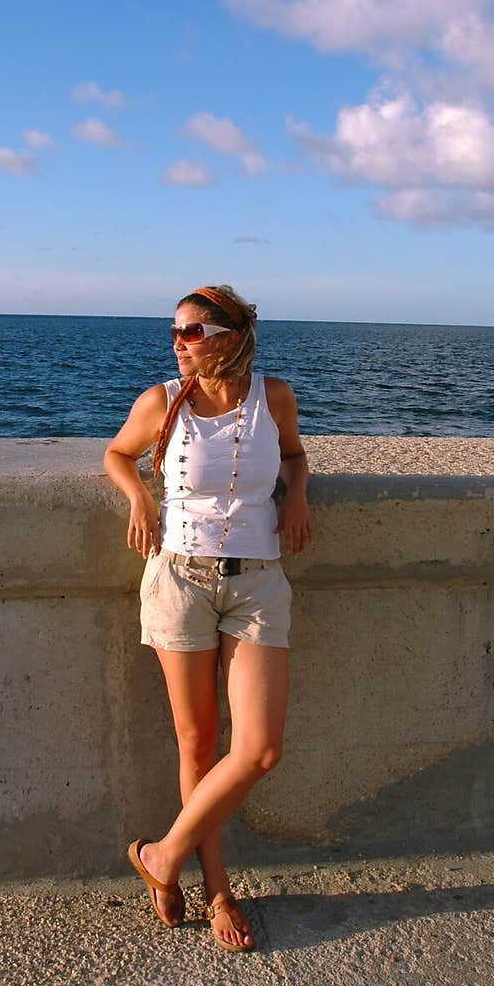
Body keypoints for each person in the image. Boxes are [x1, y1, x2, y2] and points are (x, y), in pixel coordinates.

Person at [103, 284, 312, 952]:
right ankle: (217, 886)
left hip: (256, 584)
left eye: (191, 330)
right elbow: (115, 453)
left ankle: (161, 856)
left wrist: (299, 494)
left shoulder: (272, 397)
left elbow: (294, 454)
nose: (178, 341)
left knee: (258, 748)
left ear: (229, 334)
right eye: (174, 332)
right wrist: (138, 494)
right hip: (180, 579)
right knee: (198, 745)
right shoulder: (162, 402)